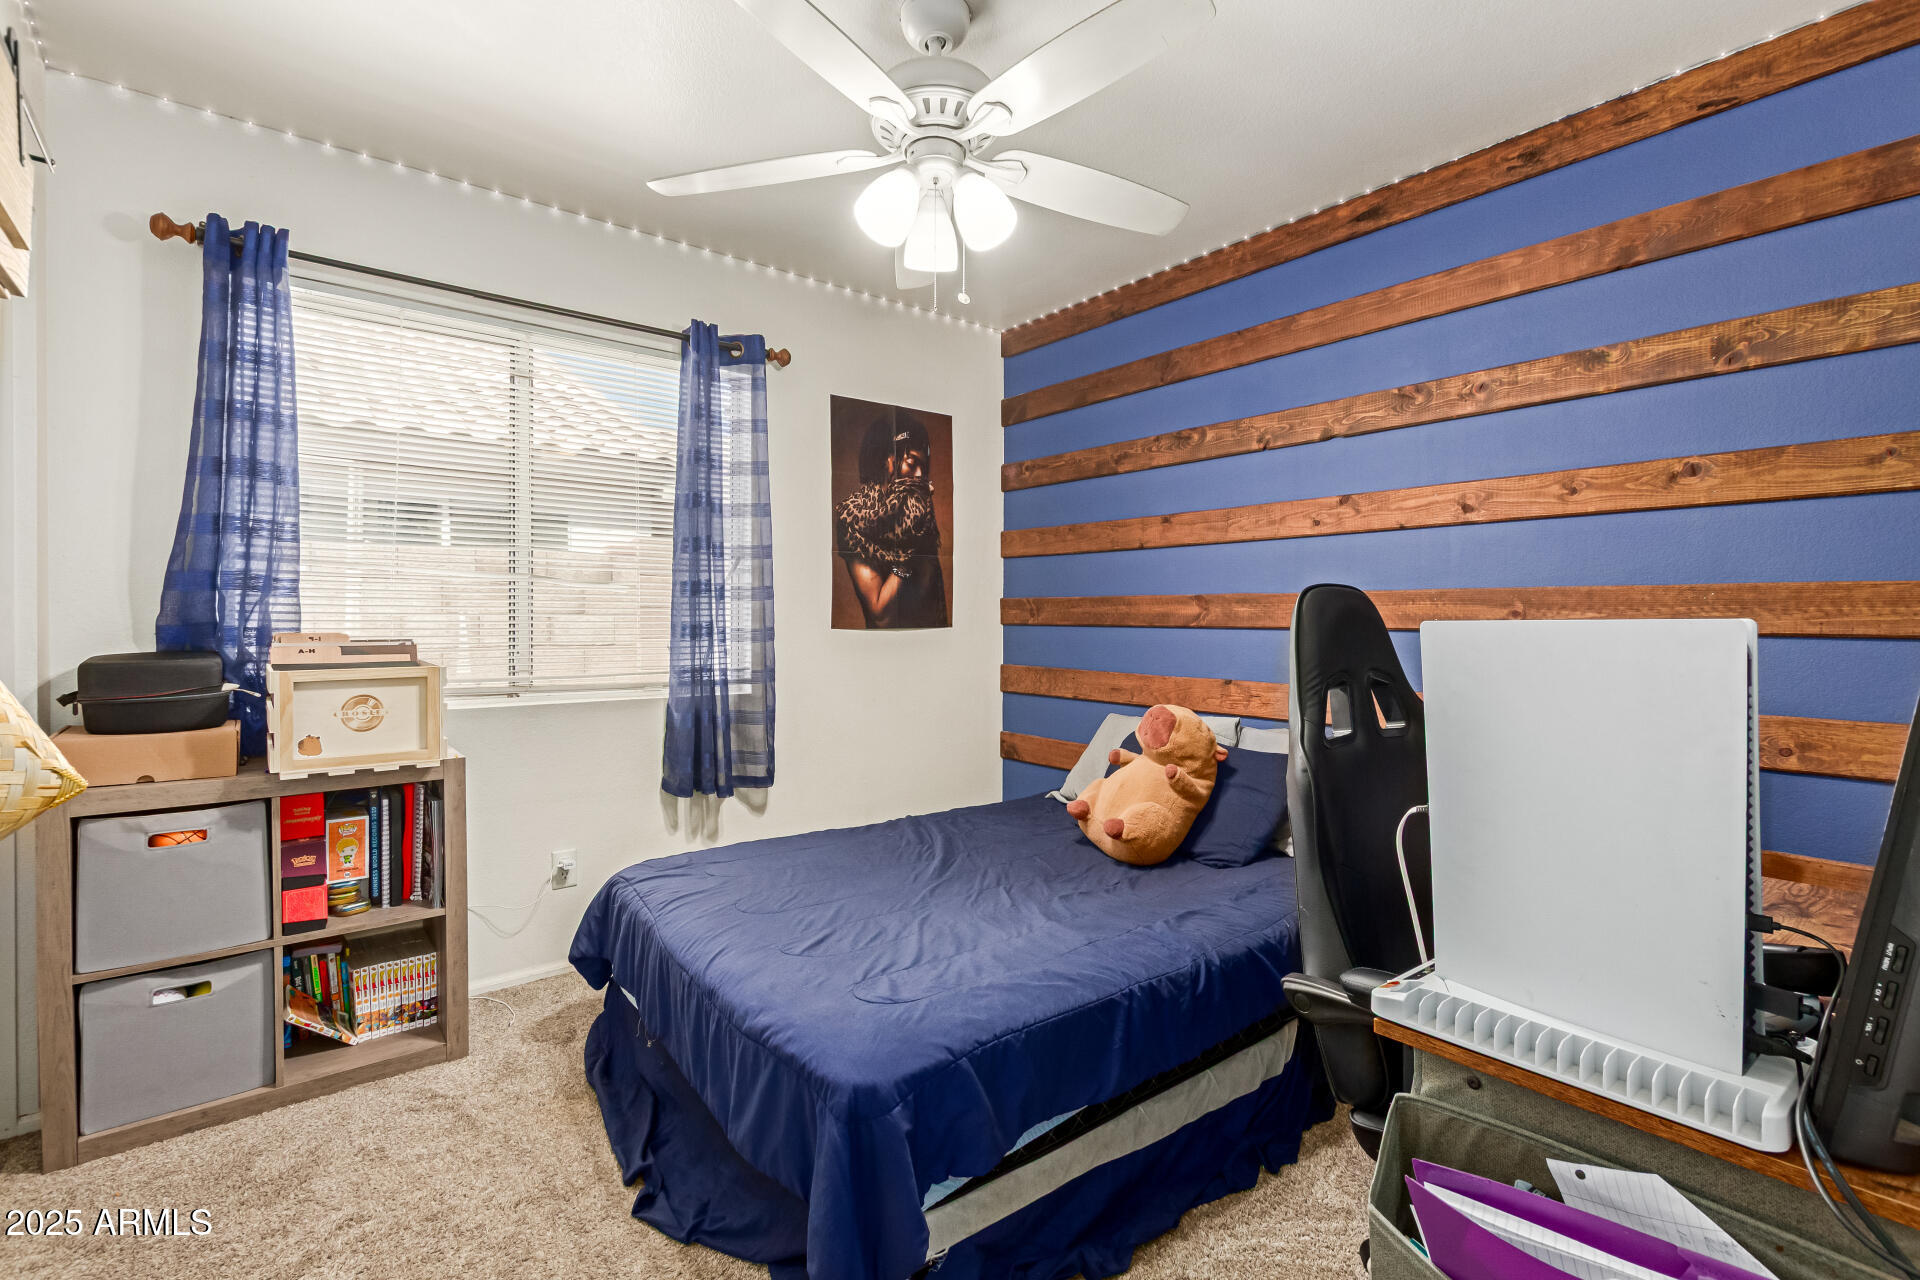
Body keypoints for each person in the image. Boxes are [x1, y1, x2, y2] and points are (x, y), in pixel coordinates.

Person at [834, 413, 948, 628]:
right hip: (882, 646)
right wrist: (910, 549)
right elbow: (881, 616)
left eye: (924, 467)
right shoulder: (853, 521)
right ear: (886, 461)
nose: (920, 475)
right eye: (912, 462)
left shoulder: (920, 515)